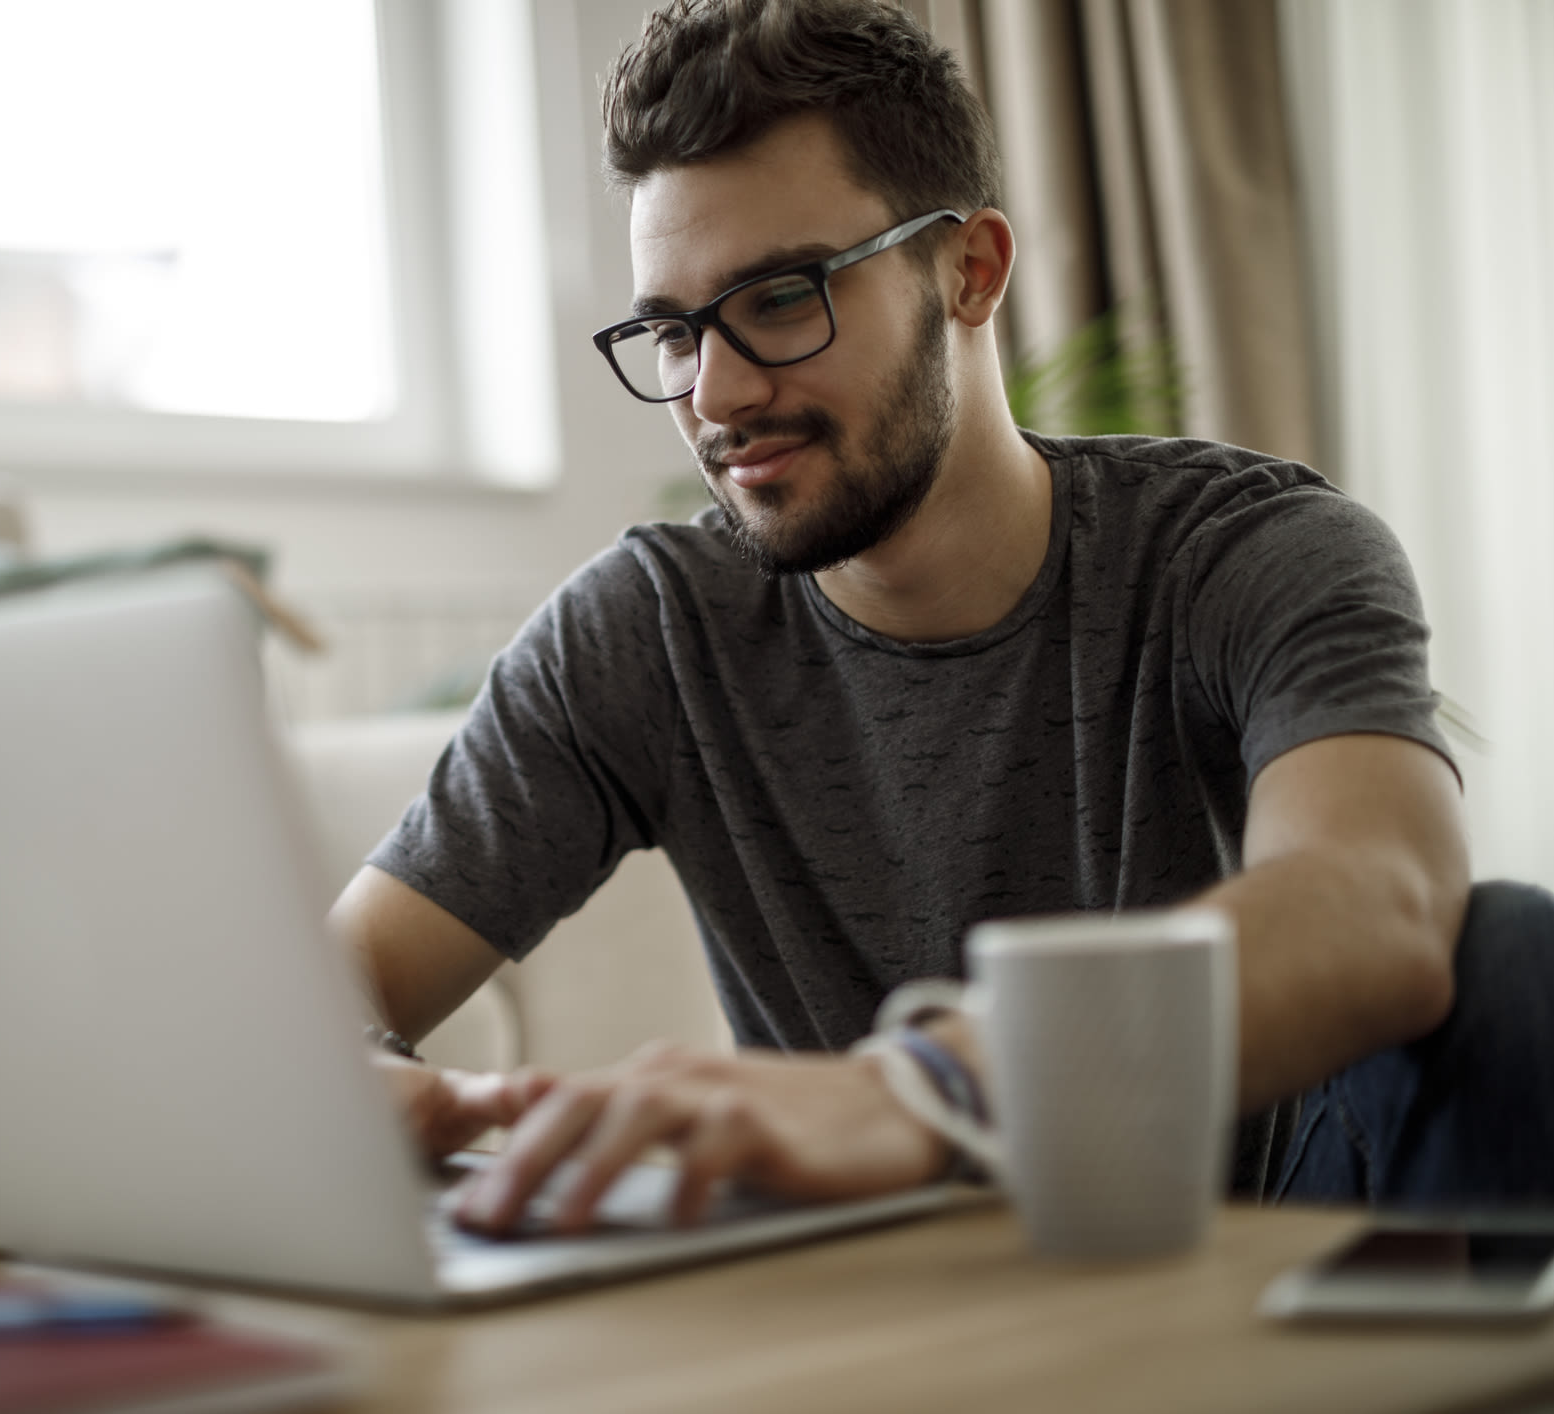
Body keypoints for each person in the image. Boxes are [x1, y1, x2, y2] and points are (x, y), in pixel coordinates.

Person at [331, 0, 1554, 1233]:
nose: (718, 392)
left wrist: (926, 1087)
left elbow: (1381, 898)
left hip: (1229, 1239)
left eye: (779, 299)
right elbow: (332, 980)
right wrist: (351, 1076)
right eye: (672, 329)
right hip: (874, 1278)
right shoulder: (647, 630)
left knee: (1513, 960)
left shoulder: (1244, 551)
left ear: (969, 271)